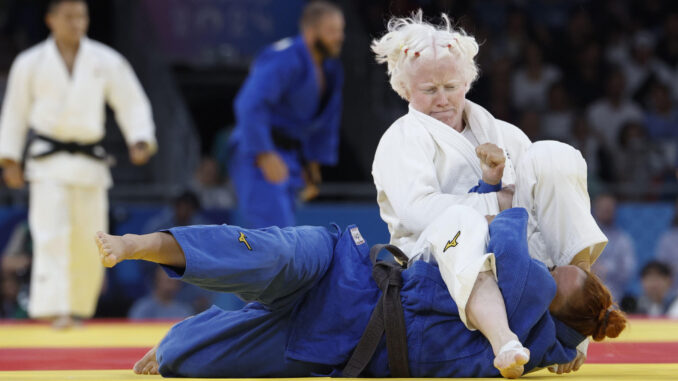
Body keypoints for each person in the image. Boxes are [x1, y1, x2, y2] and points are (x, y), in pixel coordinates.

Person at [94, 205, 626, 378]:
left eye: (558, 274)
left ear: (552, 302)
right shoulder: (523, 349)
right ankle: (145, 245)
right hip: (345, 295)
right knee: (268, 259)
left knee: (199, 350)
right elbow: (565, 333)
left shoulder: (521, 281)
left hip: (340, 320)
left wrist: (508, 207)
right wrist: (570, 349)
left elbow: (511, 226)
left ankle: (179, 333)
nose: (550, 266)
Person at [371, 11, 607, 373]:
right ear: (404, 89)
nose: (442, 100)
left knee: (554, 155)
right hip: (438, 254)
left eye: (451, 87)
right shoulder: (401, 139)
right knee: (461, 220)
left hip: (512, 249)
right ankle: (503, 341)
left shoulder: (505, 133)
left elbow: (545, 205)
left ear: (468, 81)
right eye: (428, 90)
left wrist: (507, 204)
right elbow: (416, 212)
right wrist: (496, 200)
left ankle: (574, 318)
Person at [0, 0, 156, 328]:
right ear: (50, 20)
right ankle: (53, 308)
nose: (76, 23)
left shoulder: (105, 60)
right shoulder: (30, 63)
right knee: (50, 233)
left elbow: (131, 100)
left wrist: (139, 137)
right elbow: (14, 112)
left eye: (81, 16)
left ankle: (80, 307)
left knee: (91, 236)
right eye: (68, 16)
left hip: (90, 163)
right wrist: (9, 158)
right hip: (48, 163)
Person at [228, 1, 344, 228]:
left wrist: (313, 163)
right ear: (311, 33)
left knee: (285, 237)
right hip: (259, 151)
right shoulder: (284, 57)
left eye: (341, 30)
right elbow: (249, 103)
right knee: (271, 236)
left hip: (290, 155)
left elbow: (327, 122)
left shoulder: (331, 70)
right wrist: (264, 154)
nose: (339, 37)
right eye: (331, 31)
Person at [128, 267, 193, 320]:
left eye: (176, 282)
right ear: (157, 281)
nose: (172, 286)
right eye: (168, 281)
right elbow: (135, 332)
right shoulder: (142, 308)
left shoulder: (185, 310)